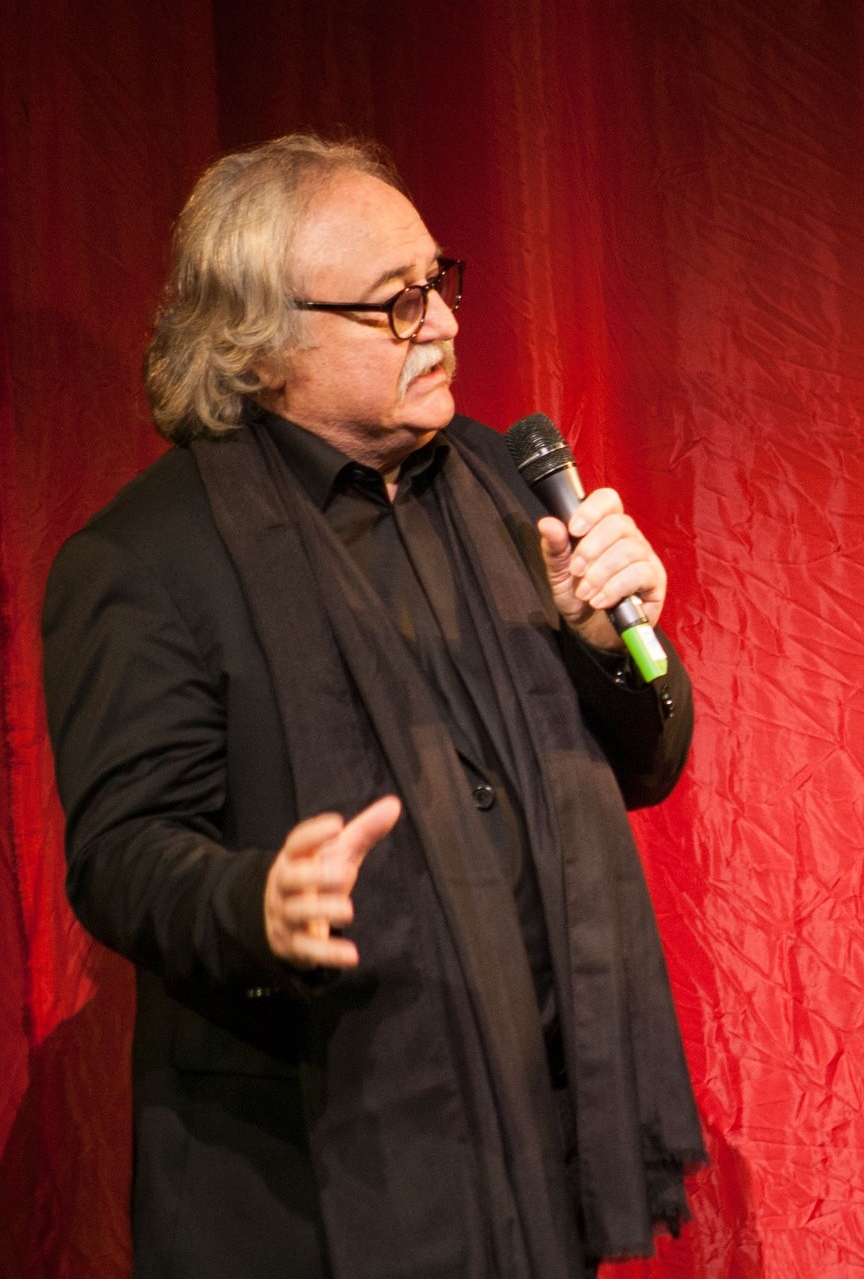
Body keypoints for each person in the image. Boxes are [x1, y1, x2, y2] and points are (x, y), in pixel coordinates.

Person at [43, 135, 703, 1278]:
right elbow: (121, 856)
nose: (441, 323)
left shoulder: (504, 485)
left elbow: (647, 765)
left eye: (438, 281)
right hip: (318, 1181)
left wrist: (609, 648)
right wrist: (256, 901)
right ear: (262, 344)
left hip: (531, 1149)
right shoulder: (148, 560)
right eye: (395, 304)